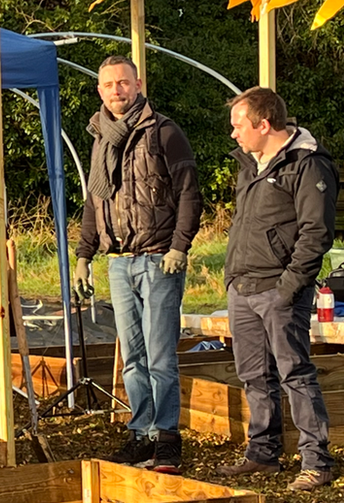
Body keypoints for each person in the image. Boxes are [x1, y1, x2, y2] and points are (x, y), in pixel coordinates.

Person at [74, 56, 202, 473]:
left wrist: (179, 247)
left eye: (123, 83)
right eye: (109, 85)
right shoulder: (100, 139)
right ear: (100, 91)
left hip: (158, 258)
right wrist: (83, 256)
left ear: (137, 84)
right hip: (119, 262)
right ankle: (141, 433)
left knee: (161, 355)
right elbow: (96, 203)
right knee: (132, 357)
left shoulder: (164, 132)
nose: (117, 91)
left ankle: (167, 438)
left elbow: (188, 193)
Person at [217, 87, 337, 491]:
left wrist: (288, 287)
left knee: (295, 374)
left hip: (279, 289)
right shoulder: (250, 165)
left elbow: (315, 232)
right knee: (254, 375)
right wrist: (232, 278)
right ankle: (263, 454)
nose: (234, 134)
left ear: (263, 125)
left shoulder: (307, 165)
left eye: (239, 126)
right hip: (244, 286)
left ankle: (316, 461)